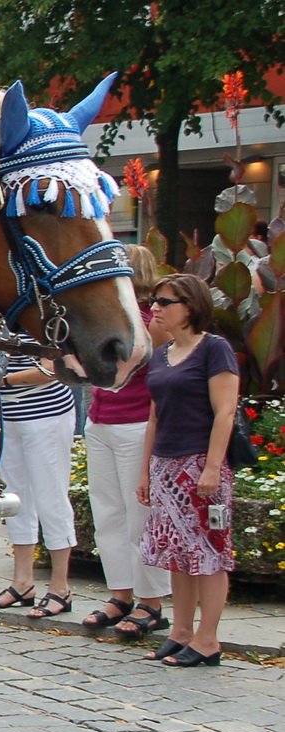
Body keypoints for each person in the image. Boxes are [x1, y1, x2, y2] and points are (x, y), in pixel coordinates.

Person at [137, 274, 238, 668]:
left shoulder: (215, 349)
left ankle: (208, 638)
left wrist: (212, 468)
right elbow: (153, 418)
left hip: (199, 463)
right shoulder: (161, 355)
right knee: (177, 554)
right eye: (155, 300)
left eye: (165, 301)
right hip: (166, 464)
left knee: (210, 552)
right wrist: (146, 470)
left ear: (190, 307)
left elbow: (225, 411)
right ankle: (181, 631)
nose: (156, 307)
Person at [82, 245, 169, 636]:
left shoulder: (149, 320)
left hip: (134, 421)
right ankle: (121, 592)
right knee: (108, 514)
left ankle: (151, 601)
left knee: (140, 517)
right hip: (101, 420)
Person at [0, 351, 78, 617]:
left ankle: (61, 586)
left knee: (51, 497)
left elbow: (50, 370)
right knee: (14, 500)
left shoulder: (48, 312)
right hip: (8, 415)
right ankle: (22, 581)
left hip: (46, 413)